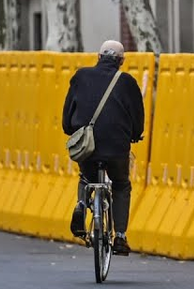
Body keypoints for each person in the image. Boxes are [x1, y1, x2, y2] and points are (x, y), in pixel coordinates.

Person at [62, 40, 144, 256]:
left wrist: (71, 128)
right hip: (117, 146)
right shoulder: (127, 82)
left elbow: (68, 113)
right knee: (120, 184)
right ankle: (121, 237)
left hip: (87, 146)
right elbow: (138, 116)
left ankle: (81, 205)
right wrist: (135, 135)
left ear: (98, 58)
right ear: (122, 62)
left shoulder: (80, 76)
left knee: (86, 176)